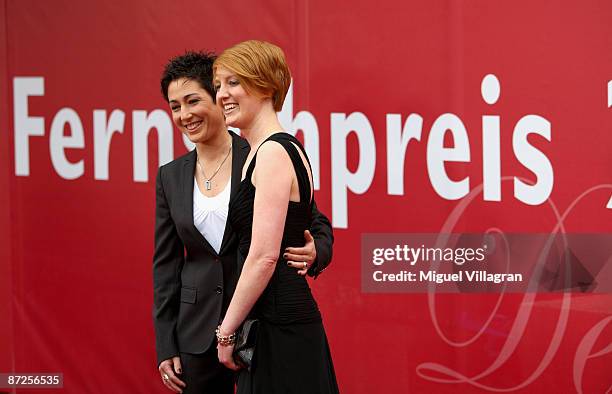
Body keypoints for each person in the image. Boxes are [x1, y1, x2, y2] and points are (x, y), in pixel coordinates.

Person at [153, 51, 334, 394]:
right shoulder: (170, 177)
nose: (185, 114)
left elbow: (310, 219)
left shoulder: (258, 153)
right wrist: (167, 342)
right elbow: (165, 265)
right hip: (198, 331)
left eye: (193, 101)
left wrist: (315, 251)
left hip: (256, 321)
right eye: (175, 106)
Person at [214, 40, 339, 393]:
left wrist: (226, 332)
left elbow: (264, 256)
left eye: (233, 82)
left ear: (266, 85)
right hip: (272, 323)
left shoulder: (273, 152)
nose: (222, 94)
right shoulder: (265, 150)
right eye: (219, 84)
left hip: (281, 327)